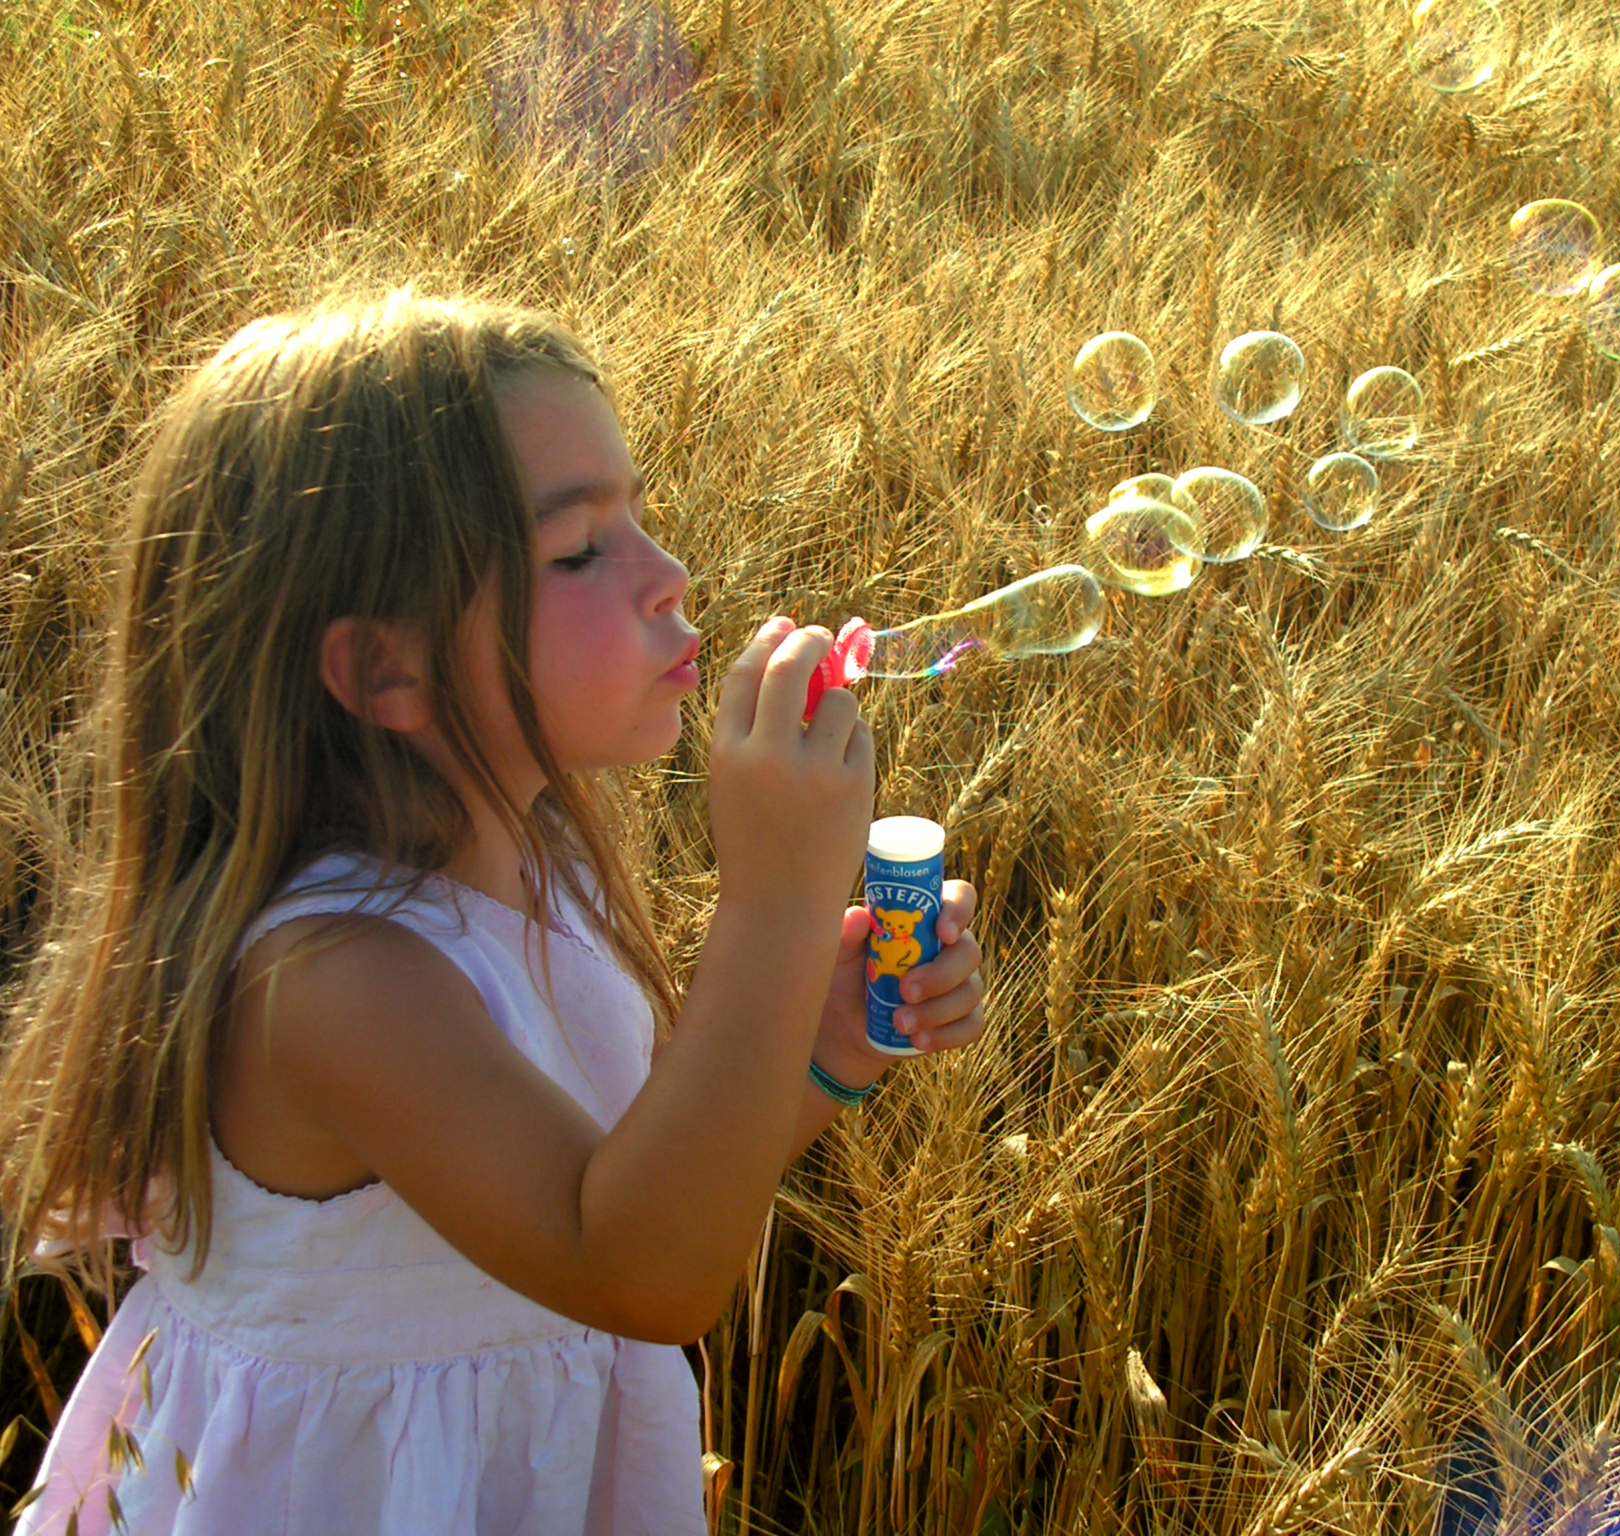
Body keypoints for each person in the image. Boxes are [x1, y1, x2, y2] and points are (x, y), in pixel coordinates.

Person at [0, 291, 987, 1535]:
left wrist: (824, 1046)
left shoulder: (536, 860)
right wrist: (779, 906)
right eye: (578, 551)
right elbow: (635, 1268)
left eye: (641, 518)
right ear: (383, 668)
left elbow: (630, 1177)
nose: (669, 576)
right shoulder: (332, 979)